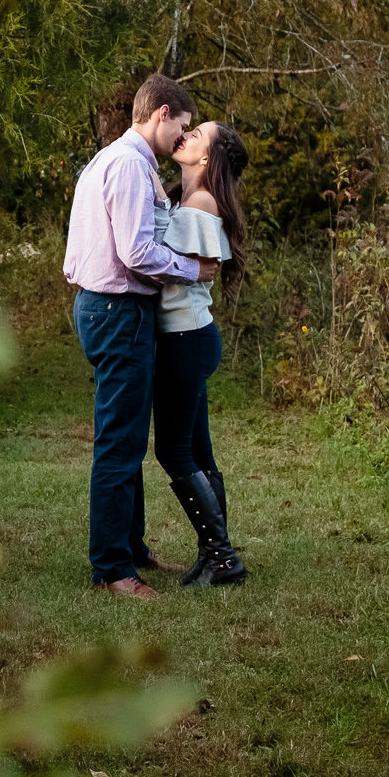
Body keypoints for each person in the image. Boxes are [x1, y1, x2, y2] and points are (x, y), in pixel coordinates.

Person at [64, 73, 213, 600]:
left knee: (128, 434)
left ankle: (132, 547)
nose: (183, 137)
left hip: (108, 307)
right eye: (182, 126)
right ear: (162, 113)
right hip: (118, 309)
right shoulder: (128, 165)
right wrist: (193, 271)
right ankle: (111, 568)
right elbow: (135, 252)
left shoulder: (117, 159)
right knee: (120, 443)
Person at [151, 120, 251, 586]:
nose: (186, 138)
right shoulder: (188, 200)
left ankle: (223, 557)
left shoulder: (200, 203)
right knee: (197, 451)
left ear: (207, 158)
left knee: (174, 451)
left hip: (185, 339)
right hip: (191, 336)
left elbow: (158, 265)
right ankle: (215, 556)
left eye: (197, 136)